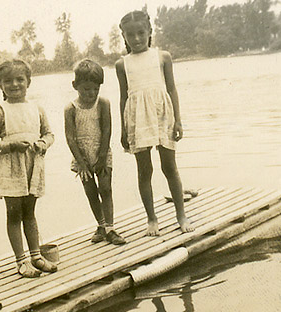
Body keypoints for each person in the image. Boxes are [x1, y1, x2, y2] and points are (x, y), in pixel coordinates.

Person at [115, 10, 195, 236]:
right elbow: (123, 97)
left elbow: (171, 89)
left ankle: (181, 215)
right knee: (144, 170)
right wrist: (123, 129)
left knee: (169, 167)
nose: (137, 39)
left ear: (150, 32)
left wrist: (178, 120)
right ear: (124, 36)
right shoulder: (122, 65)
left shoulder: (163, 57)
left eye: (141, 33)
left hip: (162, 115)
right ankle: (152, 219)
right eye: (131, 35)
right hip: (137, 119)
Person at [0, 59, 57, 278]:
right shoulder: (0, 110)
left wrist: (43, 144)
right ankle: (21, 261)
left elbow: (49, 134)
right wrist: (11, 146)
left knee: (30, 213)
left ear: (29, 81)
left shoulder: (37, 108)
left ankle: (36, 257)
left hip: (31, 167)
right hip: (10, 169)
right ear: (0, 85)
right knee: (14, 214)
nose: (15, 84)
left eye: (20, 79)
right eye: (8, 81)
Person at [64, 59, 126, 245]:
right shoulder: (70, 108)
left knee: (105, 189)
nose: (91, 93)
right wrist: (82, 163)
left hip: (101, 152)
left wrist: (101, 157)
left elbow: (107, 130)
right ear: (75, 86)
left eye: (95, 89)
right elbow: (70, 138)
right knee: (90, 191)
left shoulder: (103, 103)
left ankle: (111, 228)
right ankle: (100, 226)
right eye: (86, 89)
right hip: (81, 156)